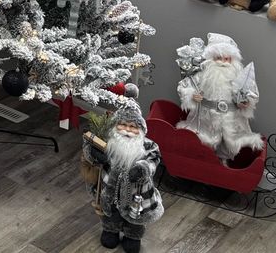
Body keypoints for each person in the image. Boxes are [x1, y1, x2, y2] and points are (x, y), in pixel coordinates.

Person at [82, 103, 164, 253]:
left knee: (136, 218)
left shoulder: (148, 145)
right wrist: (94, 154)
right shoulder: (107, 140)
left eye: (133, 127)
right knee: (109, 212)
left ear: (141, 129)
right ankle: (110, 231)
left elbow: (154, 159)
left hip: (136, 192)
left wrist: (142, 169)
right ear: (116, 125)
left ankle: (132, 237)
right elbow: (88, 146)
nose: (127, 130)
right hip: (109, 189)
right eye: (123, 125)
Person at [176, 32, 263, 160]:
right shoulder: (203, 73)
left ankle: (223, 164)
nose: (223, 62)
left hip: (232, 118)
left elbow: (250, 91)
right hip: (206, 117)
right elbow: (185, 85)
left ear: (232, 59)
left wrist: (246, 102)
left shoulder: (239, 74)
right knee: (203, 143)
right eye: (218, 58)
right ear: (212, 58)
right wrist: (191, 95)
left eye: (226, 59)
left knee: (229, 145)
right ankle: (203, 162)